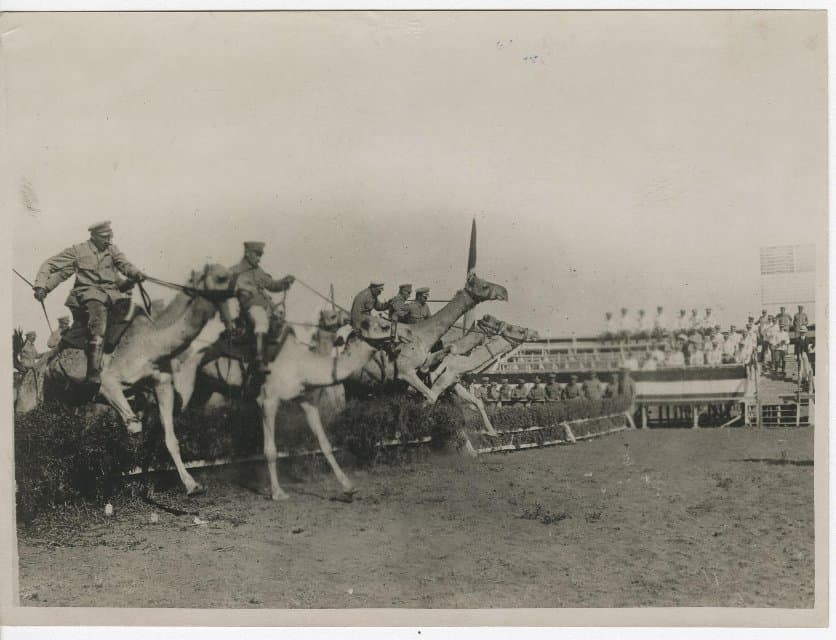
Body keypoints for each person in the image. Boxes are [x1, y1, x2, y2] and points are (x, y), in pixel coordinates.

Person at [33, 220, 146, 383]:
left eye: (110, 236)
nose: (108, 240)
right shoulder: (77, 251)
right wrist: (41, 286)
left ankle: (112, 350)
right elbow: (51, 265)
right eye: (104, 237)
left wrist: (135, 273)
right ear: (94, 236)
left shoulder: (111, 250)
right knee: (98, 314)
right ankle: (93, 371)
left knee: (133, 311)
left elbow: (124, 264)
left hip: (111, 295)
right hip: (87, 295)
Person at [229, 241, 295, 373]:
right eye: (257, 254)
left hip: (267, 308)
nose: (259, 258)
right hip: (250, 309)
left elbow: (272, 285)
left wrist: (285, 282)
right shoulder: (234, 271)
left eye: (260, 255)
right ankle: (259, 361)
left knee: (282, 325)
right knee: (261, 321)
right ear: (247, 253)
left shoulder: (258, 271)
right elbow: (228, 294)